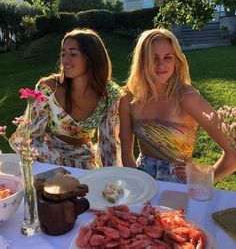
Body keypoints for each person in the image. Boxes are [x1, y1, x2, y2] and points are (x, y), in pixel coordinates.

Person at [119, 28, 236, 183]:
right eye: (153, 58)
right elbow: (126, 153)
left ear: (176, 60)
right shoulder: (129, 97)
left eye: (167, 57)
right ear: (142, 60)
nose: (161, 65)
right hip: (142, 179)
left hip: (178, 182)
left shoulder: (187, 97)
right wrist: (137, 182)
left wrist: (205, 178)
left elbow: (233, 152)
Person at [9, 28, 123, 169]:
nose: (65, 60)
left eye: (73, 54)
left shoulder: (109, 94)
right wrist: (54, 164)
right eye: (63, 54)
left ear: (92, 57)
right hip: (48, 159)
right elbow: (29, 137)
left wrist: (112, 177)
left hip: (84, 161)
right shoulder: (48, 89)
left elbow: (109, 143)